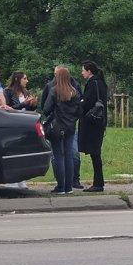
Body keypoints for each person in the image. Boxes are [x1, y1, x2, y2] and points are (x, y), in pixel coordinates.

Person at [42, 65, 82, 194]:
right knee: (69, 155)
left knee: (59, 155)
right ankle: (69, 187)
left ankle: (60, 187)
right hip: (70, 127)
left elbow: (46, 109)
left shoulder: (54, 91)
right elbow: (80, 110)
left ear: (58, 77)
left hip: (57, 127)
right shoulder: (75, 92)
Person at [79, 61, 108, 192]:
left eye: (83, 70)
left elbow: (88, 102)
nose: (82, 72)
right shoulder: (101, 83)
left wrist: (79, 104)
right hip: (99, 121)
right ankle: (98, 181)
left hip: (92, 122)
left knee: (95, 153)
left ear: (89, 71)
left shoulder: (92, 83)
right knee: (96, 153)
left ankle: (98, 183)